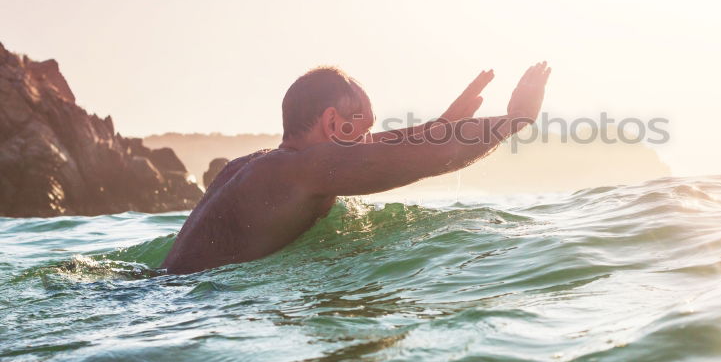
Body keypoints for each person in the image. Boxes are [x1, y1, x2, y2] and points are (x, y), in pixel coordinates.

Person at [160, 62, 551, 274]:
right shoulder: (305, 169)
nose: (371, 136)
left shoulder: (262, 165)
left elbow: (389, 147)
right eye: (363, 125)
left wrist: (440, 125)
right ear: (333, 123)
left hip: (155, 292)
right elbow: (427, 158)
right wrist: (516, 120)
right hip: (180, 310)